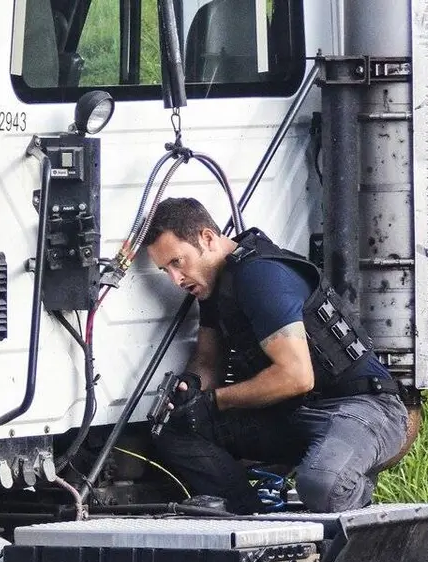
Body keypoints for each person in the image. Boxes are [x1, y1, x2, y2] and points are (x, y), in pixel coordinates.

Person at [144, 197, 409, 515]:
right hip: (293, 414)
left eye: (177, 262)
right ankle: (248, 516)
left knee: (322, 486)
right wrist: (191, 389)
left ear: (208, 238)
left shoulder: (260, 276)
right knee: (174, 428)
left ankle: (353, 493)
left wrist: (213, 401)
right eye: (165, 270)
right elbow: (207, 359)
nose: (175, 280)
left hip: (362, 407)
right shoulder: (213, 285)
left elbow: (296, 376)